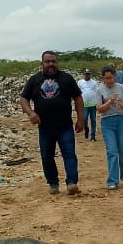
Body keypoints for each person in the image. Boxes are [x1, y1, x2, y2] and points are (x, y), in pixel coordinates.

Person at [19, 50, 85, 195]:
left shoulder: (67, 79)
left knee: (69, 155)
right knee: (47, 156)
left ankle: (72, 183)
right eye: (47, 61)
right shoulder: (34, 80)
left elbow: (78, 98)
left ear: (57, 63)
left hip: (65, 126)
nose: (51, 64)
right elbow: (23, 98)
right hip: (45, 127)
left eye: (53, 61)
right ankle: (53, 184)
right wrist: (31, 113)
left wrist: (81, 119)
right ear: (41, 63)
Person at [96, 66, 123, 189]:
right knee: (112, 151)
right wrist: (109, 101)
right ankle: (112, 180)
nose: (109, 81)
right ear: (103, 78)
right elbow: (99, 109)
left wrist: (121, 104)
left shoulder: (121, 88)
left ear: (115, 76)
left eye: (111, 78)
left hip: (122, 120)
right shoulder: (99, 90)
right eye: (107, 78)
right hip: (107, 122)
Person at [77, 69, 101, 141]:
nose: (87, 75)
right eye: (86, 74)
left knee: (93, 119)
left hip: (93, 104)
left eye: (89, 74)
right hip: (84, 104)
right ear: (84, 74)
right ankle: (86, 129)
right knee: (84, 118)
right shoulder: (80, 82)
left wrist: (98, 102)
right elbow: (78, 92)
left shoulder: (94, 82)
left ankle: (93, 136)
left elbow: (97, 92)